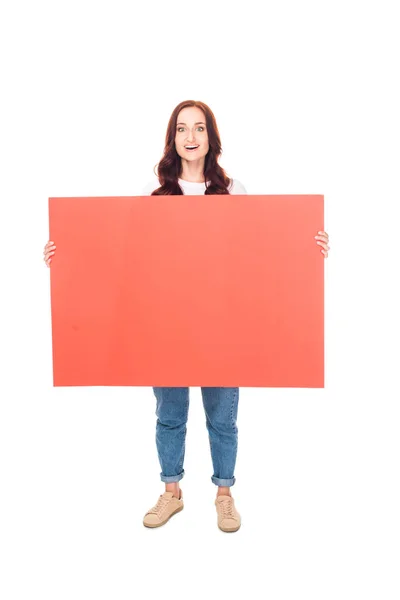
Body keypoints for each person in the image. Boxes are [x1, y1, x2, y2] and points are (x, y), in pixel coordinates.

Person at [43, 100, 330, 533]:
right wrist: (66, 256)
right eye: (182, 129)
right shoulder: (155, 193)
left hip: (222, 326)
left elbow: (259, 256)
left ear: (211, 137)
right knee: (170, 414)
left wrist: (308, 246)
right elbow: (125, 259)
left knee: (222, 418)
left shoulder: (234, 191)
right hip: (167, 327)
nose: (190, 137)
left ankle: (224, 494)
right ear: (172, 138)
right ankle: (171, 492)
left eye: (198, 128)